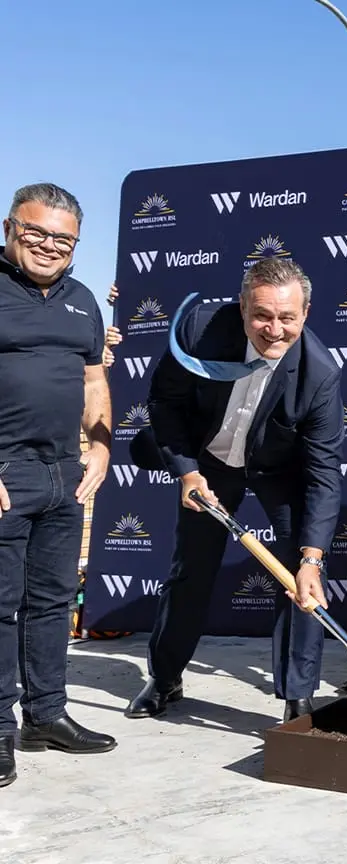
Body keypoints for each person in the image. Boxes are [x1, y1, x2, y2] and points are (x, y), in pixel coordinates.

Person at [124, 257, 344, 724]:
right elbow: (165, 404)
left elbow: (323, 471)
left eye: (288, 318)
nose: (274, 330)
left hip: (278, 470)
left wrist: (312, 559)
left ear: (306, 314)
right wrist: (186, 472)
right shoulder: (201, 329)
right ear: (242, 306)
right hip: (208, 464)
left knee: (299, 582)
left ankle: (297, 698)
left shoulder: (319, 373)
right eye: (262, 314)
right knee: (191, 573)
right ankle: (164, 679)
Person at [0, 182, 115, 788]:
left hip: (62, 476)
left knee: (50, 601)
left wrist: (100, 444)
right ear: (9, 227)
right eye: (36, 232)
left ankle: (45, 715)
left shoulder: (82, 299)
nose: (48, 246)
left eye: (63, 239)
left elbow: (93, 380)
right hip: (4, 476)